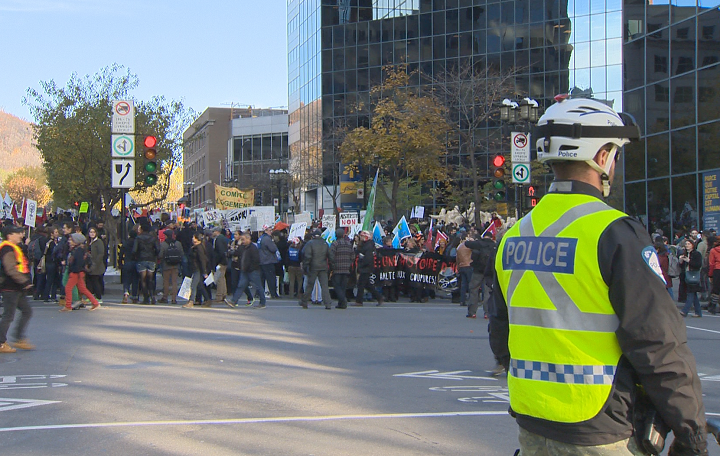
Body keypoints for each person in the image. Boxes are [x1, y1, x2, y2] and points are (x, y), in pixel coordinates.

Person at [492, 97, 708, 455]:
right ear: (604, 156)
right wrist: (691, 432)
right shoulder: (615, 233)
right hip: (602, 427)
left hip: (532, 421)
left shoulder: (513, 236)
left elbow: (502, 335)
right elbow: (658, 343)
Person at [0, 225, 35, 353]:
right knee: (8, 315)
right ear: (10, 235)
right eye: (17, 233)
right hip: (10, 287)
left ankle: (19, 338)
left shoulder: (13, 248)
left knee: (27, 311)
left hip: (17, 287)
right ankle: (1, 343)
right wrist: (24, 281)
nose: (21, 235)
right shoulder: (7, 249)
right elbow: (10, 269)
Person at [60, 233, 100, 312]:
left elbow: (78, 262)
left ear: (76, 241)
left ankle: (68, 306)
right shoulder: (78, 249)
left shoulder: (78, 250)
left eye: (71, 240)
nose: (69, 241)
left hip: (76, 273)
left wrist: (74, 271)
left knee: (68, 288)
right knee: (82, 289)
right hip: (79, 272)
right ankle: (95, 303)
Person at [225, 232, 266, 309]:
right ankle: (233, 301)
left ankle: (262, 302)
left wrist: (250, 268)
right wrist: (235, 248)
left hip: (253, 270)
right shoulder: (242, 247)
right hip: (244, 270)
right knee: (241, 286)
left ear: (248, 239)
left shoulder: (253, 248)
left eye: (243, 239)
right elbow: (236, 253)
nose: (242, 241)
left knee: (258, 286)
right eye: (241, 239)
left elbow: (256, 260)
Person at [299, 229, 333, 309]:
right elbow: (330, 255)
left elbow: (307, 256)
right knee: (324, 286)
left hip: (313, 267)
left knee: (310, 285)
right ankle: (327, 303)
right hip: (323, 266)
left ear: (313, 236)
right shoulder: (325, 243)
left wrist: (305, 266)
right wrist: (331, 266)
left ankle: (304, 301)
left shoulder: (310, 243)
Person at [352, 230, 384, 307]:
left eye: (362, 236)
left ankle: (359, 301)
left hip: (366, 267)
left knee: (361, 284)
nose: (360, 238)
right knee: (366, 284)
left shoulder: (368, 246)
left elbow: (368, 258)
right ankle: (379, 297)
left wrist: (361, 265)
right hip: (365, 267)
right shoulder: (366, 245)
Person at [182, 233, 211, 308]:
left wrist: (204, 271)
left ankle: (191, 301)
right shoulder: (195, 247)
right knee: (199, 285)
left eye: (194, 237)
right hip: (194, 267)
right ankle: (207, 299)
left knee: (193, 285)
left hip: (197, 268)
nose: (192, 239)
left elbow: (202, 259)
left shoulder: (199, 247)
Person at [133, 224, 160, 304]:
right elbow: (158, 249)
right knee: (150, 279)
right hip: (151, 259)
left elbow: (134, 250)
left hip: (141, 259)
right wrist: (154, 254)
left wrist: (136, 256)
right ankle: (152, 296)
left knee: (143, 279)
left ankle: (146, 298)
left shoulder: (138, 238)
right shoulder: (153, 238)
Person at [329, 228, 354, 309]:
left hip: (337, 268)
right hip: (346, 268)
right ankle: (341, 303)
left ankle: (343, 300)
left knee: (337, 286)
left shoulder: (335, 244)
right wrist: (349, 263)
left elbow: (331, 256)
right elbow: (353, 256)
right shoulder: (349, 244)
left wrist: (333, 265)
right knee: (343, 286)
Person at [680, 238, 703, 318]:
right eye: (686, 244)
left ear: (693, 245)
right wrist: (681, 261)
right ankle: (698, 312)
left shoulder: (696, 254)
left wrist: (689, 261)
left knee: (690, 293)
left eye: (689, 244)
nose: (687, 246)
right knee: (694, 295)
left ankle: (684, 311)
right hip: (687, 275)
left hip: (693, 275)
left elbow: (698, 265)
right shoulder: (685, 253)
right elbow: (682, 266)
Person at [158, 229, 183, 305]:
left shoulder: (163, 244)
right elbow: (181, 253)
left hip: (166, 265)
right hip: (175, 265)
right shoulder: (178, 243)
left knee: (166, 282)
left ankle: (165, 297)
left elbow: (160, 255)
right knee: (174, 282)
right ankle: (174, 299)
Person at [258, 225, 280, 299]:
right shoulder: (267, 239)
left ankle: (259, 293)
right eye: (270, 230)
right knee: (271, 278)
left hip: (262, 260)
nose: (271, 232)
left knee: (262, 278)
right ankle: (273, 293)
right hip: (268, 260)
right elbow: (273, 249)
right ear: (266, 230)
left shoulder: (261, 238)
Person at [86, 227, 106, 303]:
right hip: (89, 264)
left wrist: (96, 263)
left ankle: (98, 297)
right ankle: (90, 296)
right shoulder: (88, 242)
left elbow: (101, 254)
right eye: (90, 232)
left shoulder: (99, 242)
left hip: (96, 265)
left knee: (95, 281)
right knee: (88, 281)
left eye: (93, 232)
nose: (92, 234)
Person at [210, 227, 229, 303]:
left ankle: (219, 296)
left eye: (213, 231)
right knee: (222, 278)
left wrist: (217, 262)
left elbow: (220, 251)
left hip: (220, 262)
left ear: (217, 231)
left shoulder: (218, 239)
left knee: (219, 279)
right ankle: (224, 293)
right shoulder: (223, 238)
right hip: (224, 261)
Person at [707, 236, 720, 315]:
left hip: (717, 270)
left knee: (715, 289)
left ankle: (713, 306)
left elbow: (711, 264)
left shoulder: (713, 251)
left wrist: (710, 275)